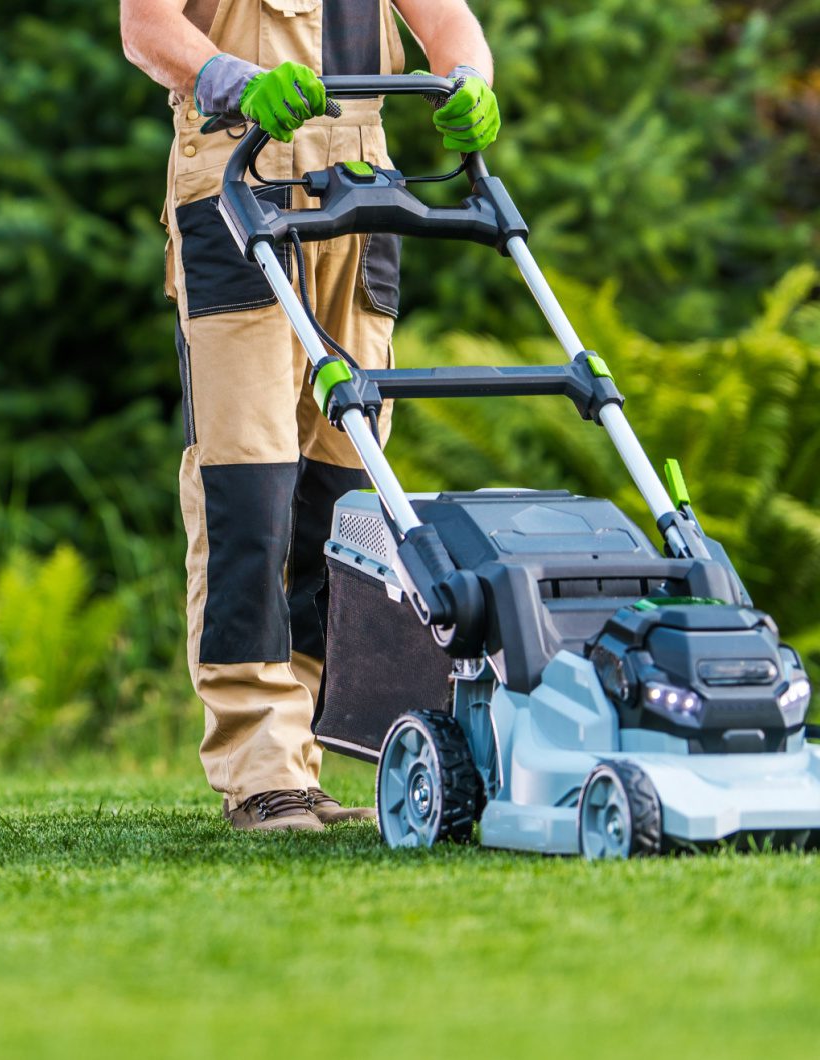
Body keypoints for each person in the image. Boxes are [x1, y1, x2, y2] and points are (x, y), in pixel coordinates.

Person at [120, 0, 500, 831]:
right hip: (235, 180)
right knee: (247, 486)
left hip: (359, 196)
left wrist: (471, 79)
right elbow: (144, 26)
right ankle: (260, 766)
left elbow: (450, 24)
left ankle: (308, 759)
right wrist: (233, 80)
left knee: (345, 494)